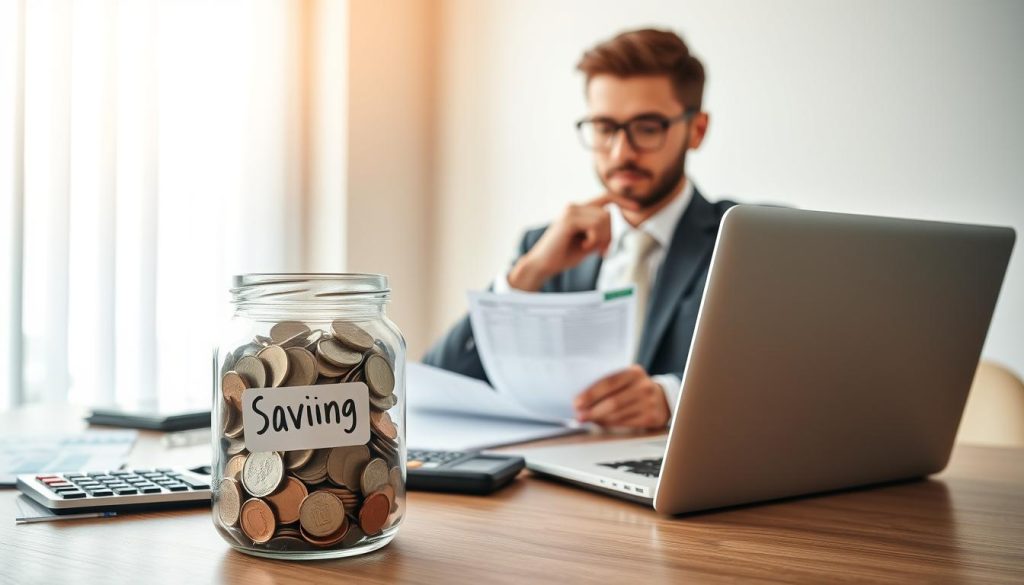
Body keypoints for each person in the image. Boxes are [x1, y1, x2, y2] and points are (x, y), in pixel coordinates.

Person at [424, 28, 736, 430]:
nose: (621, 152)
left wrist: (672, 399)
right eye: (605, 128)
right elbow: (444, 382)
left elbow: (785, 375)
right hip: (558, 481)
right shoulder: (545, 248)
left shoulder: (744, 242)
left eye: (648, 127)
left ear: (697, 130)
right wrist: (528, 273)